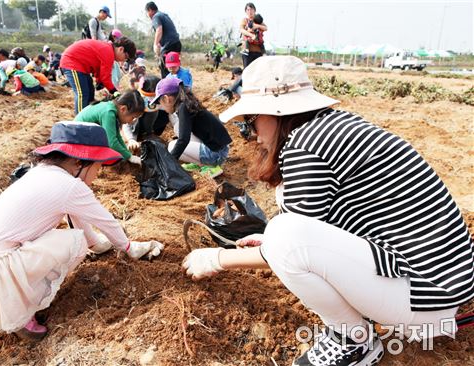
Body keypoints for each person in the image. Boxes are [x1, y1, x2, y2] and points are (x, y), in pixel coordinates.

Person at [182, 56, 474, 366]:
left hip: (424, 301)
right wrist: (272, 243)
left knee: (282, 232)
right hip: (443, 283)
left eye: (251, 119)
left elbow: (292, 240)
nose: (252, 132)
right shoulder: (329, 128)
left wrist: (216, 258)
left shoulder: (305, 146)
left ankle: (353, 341)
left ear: (276, 113)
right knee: (281, 234)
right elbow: (330, 224)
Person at [0, 121, 164, 349]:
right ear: (79, 162)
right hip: (0, 267)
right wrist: (130, 248)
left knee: (77, 238)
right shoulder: (69, 186)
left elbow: (76, 215)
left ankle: (18, 303)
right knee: (73, 242)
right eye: (98, 167)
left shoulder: (43, 173)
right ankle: (22, 312)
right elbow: (106, 221)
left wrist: (98, 244)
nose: (98, 174)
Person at [151, 78, 232, 178]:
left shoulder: (183, 108)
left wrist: (169, 163)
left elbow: (183, 140)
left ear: (167, 99)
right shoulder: (187, 103)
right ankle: (200, 163)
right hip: (220, 149)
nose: (161, 106)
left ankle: (211, 166)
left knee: (172, 145)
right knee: (178, 128)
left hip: (215, 155)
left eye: (160, 102)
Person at [60, 37, 136, 115]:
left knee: (90, 91)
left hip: (81, 67)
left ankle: (87, 115)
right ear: (121, 49)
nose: (124, 60)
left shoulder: (108, 49)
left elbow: (99, 70)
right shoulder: (108, 52)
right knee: (82, 93)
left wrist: (99, 82)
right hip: (72, 63)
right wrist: (114, 91)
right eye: (126, 57)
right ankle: (79, 120)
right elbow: (105, 77)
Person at [75, 91, 144, 166]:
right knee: (111, 155)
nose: (132, 121)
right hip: (78, 141)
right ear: (123, 109)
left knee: (117, 154)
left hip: (84, 136)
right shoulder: (108, 113)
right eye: (133, 117)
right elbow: (112, 142)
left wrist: (127, 154)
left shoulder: (112, 109)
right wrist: (129, 157)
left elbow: (117, 136)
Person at [122, 75, 169, 150]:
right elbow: (126, 124)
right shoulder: (134, 102)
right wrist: (131, 139)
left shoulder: (160, 99)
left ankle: (149, 134)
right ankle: (140, 136)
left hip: (150, 125)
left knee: (165, 113)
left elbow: (172, 113)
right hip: (135, 128)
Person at [145, 2, 181, 78]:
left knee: (165, 67)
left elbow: (159, 29)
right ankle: (178, 85)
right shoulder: (164, 15)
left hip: (169, 45)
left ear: (150, 10)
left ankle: (167, 87)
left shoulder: (156, 17)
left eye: (147, 12)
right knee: (175, 66)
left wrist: (155, 44)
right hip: (176, 44)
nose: (148, 15)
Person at [239, 3, 267, 68]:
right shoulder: (245, 20)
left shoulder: (258, 21)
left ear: (254, 10)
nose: (250, 11)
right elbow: (242, 30)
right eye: (248, 10)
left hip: (258, 51)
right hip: (247, 51)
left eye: (251, 9)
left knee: (258, 72)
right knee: (247, 70)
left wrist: (256, 26)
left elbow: (266, 28)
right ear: (246, 11)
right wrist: (251, 35)